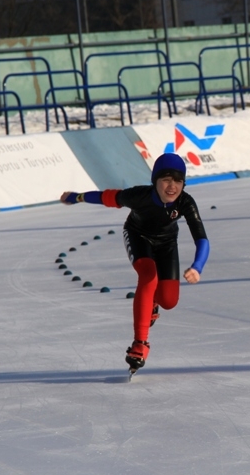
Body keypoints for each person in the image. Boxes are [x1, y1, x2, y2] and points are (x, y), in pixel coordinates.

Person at [60, 153, 209, 372]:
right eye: (166, 180)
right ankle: (140, 343)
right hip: (138, 236)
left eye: (178, 181)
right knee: (148, 276)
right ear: (155, 181)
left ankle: (153, 302)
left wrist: (197, 267)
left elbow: (202, 238)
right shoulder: (139, 196)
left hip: (167, 243)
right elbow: (106, 197)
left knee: (169, 301)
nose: (172, 186)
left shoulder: (186, 202)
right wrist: (76, 197)